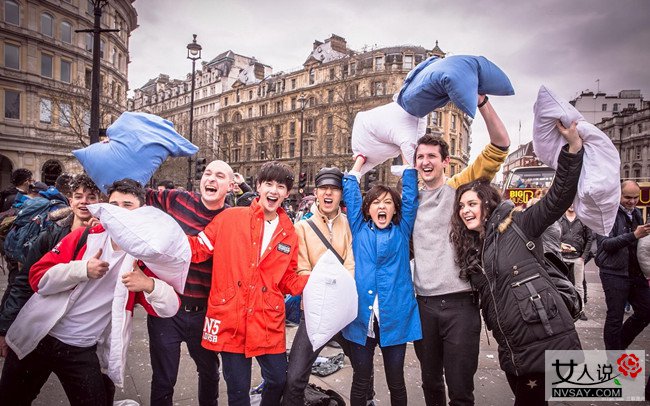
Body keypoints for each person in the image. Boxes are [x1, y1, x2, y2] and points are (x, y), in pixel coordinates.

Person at [0, 178, 180, 405]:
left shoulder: (146, 257)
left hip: (81, 350)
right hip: (39, 336)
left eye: (128, 205)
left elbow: (170, 307)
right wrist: (81, 269)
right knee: (11, 399)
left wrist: (150, 285)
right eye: (114, 205)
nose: (120, 212)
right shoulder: (84, 236)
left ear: (141, 211)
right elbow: (37, 279)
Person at [449, 121, 583, 405]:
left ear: (487, 203)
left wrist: (572, 149)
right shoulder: (474, 247)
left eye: (471, 203)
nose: (465, 210)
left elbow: (558, 198)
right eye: (461, 206)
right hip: (512, 348)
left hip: (544, 342)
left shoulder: (519, 224)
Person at [411, 94, 509, 406]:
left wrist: (481, 102)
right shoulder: (408, 201)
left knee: (461, 390)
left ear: (446, 162)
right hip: (423, 306)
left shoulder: (459, 189)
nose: (426, 162)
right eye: (420, 157)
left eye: (432, 156)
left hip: (461, 306)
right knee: (430, 384)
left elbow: (500, 143)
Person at [188, 161, 308, 406]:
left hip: (266, 320)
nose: (273, 191)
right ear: (258, 186)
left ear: (287, 193)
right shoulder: (230, 217)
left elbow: (287, 278)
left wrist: (314, 282)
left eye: (281, 186)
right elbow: (197, 249)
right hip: (231, 317)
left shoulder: (289, 233)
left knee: (277, 379)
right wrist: (156, 241)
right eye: (269, 184)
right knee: (238, 392)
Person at [145, 159, 234, 406]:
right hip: (167, 311)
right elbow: (138, 195)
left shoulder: (231, 219)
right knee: (163, 378)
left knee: (209, 373)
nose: (211, 179)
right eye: (207, 173)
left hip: (205, 314)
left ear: (230, 186)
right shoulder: (177, 200)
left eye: (219, 176)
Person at [342, 155, 421, 406]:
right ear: (368, 209)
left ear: (395, 209)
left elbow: (410, 199)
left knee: (396, 381)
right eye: (376, 202)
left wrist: (409, 162)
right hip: (361, 320)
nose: (382, 206)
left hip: (395, 317)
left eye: (388, 202)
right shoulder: (358, 228)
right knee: (361, 380)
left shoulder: (402, 228)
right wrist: (359, 163)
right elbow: (352, 195)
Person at [0, 174, 100, 358]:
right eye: (78, 197)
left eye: (91, 197)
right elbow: (23, 282)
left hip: (79, 335)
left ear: (100, 201)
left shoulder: (105, 237)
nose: (84, 202)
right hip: (40, 325)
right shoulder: (50, 234)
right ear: (70, 201)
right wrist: (5, 328)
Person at [283, 167, 355, 406]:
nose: (328, 193)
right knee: (294, 377)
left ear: (341, 194)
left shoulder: (350, 224)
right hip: (316, 312)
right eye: (324, 188)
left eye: (334, 189)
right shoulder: (302, 227)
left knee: (364, 370)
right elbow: (301, 267)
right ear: (316, 192)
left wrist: (340, 288)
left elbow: (351, 263)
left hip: (346, 312)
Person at [595, 180, 650, 351]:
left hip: (635, 272)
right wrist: (634, 235)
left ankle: (618, 345)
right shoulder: (606, 213)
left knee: (646, 310)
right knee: (615, 317)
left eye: (635, 198)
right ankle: (613, 359)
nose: (632, 201)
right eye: (628, 197)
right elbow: (606, 244)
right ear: (618, 194)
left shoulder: (637, 214)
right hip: (613, 273)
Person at [559, 204, 593, 321]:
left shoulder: (583, 218)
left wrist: (583, 256)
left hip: (577, 257)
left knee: (579, 285)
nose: (572, 205)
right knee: (561, 284)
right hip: (562, 257)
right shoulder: (560, 218)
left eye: (574, 202)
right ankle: (563, 309)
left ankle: (581, 310)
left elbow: (589, 238)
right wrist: (559, 248)